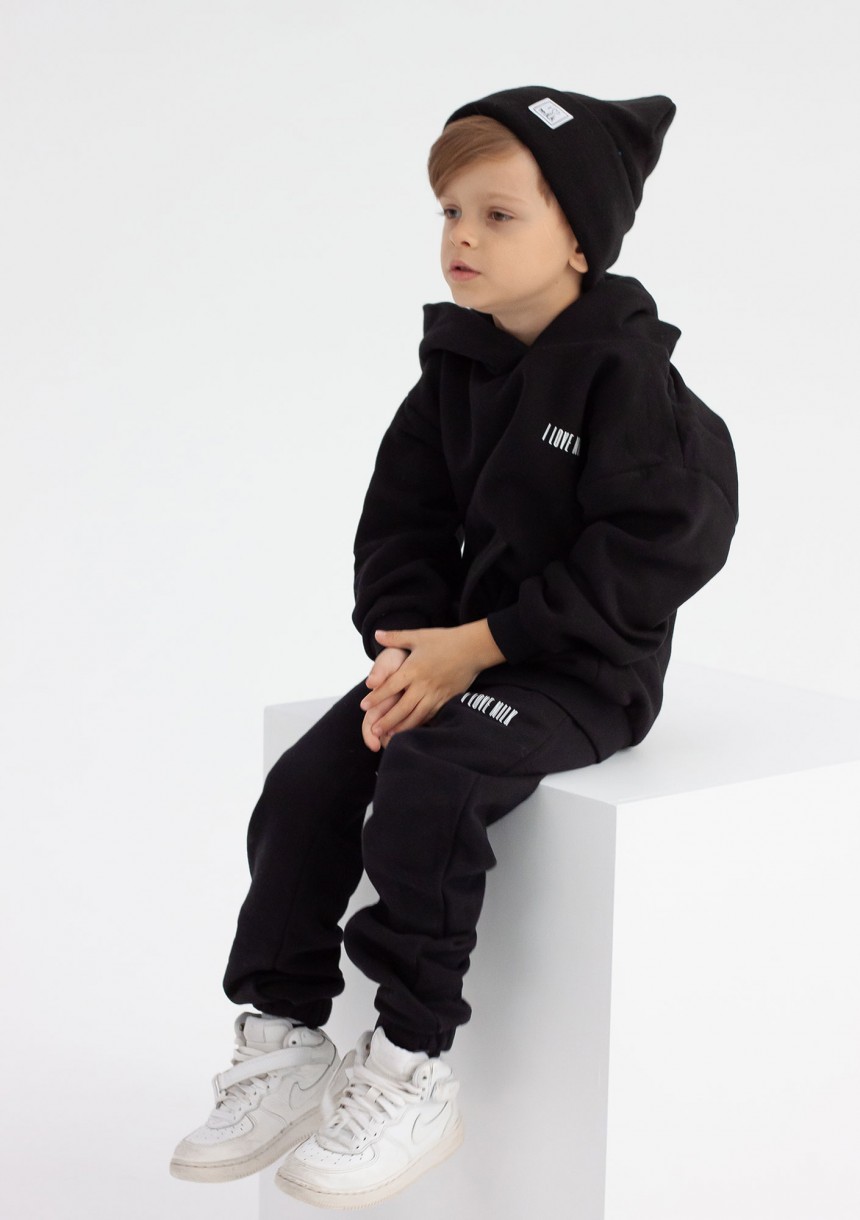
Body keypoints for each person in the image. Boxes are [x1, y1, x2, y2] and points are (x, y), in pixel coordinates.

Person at [169, 85, 739, 1209]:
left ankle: (410, 1063)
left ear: (579, 238)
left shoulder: (633, 384)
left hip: (583, 671)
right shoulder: (454, 370)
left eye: (497, 214)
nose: (461, 238)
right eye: (448, 212)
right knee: (311, 777)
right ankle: (284, 1039)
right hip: (451, 656)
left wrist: (484, 642)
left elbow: (664, 545)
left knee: (430, 780)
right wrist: (402, 650)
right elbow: (400, 527)